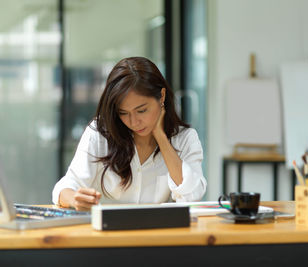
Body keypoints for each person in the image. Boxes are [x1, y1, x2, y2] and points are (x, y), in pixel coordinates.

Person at [52, 56, 207, 211]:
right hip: (107, 232)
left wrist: (161, 137)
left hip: (157, 233)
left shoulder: (185, 138)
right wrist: (75, 199)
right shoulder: (100, 134)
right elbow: (65, 187)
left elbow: (192, 195)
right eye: (124, 113)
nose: (133, 122)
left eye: (141, 110)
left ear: (162, 96)